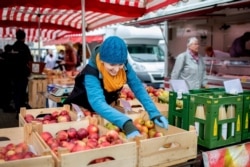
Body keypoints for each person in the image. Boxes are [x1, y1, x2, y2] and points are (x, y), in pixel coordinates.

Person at [64, 36, 168, 139]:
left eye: (120, 64)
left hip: (106, 112)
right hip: (81, 110)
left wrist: (154, 113)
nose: (117, 69)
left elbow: (138, 88)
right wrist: (126, 123)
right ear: (102, 60)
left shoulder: (125, 66)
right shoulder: (91, 72)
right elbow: (97, 102)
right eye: (112, 64)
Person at [11, 29, 33, 118]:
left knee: (16, 93)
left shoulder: (13, 47)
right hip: (22, 74)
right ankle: (21, 113)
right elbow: (30, 61)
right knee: (22, 93)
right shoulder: (25, 47)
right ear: (24, 37)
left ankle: (17, 111)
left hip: (13, 74)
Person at [0, 44, 15, 112]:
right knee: (8, 93)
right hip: (8, 78)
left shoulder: (1, 56)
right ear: (10, 50)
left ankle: (3, 105)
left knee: (3, 92)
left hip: (2, 78)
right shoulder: (10, 57)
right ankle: (6, 107)